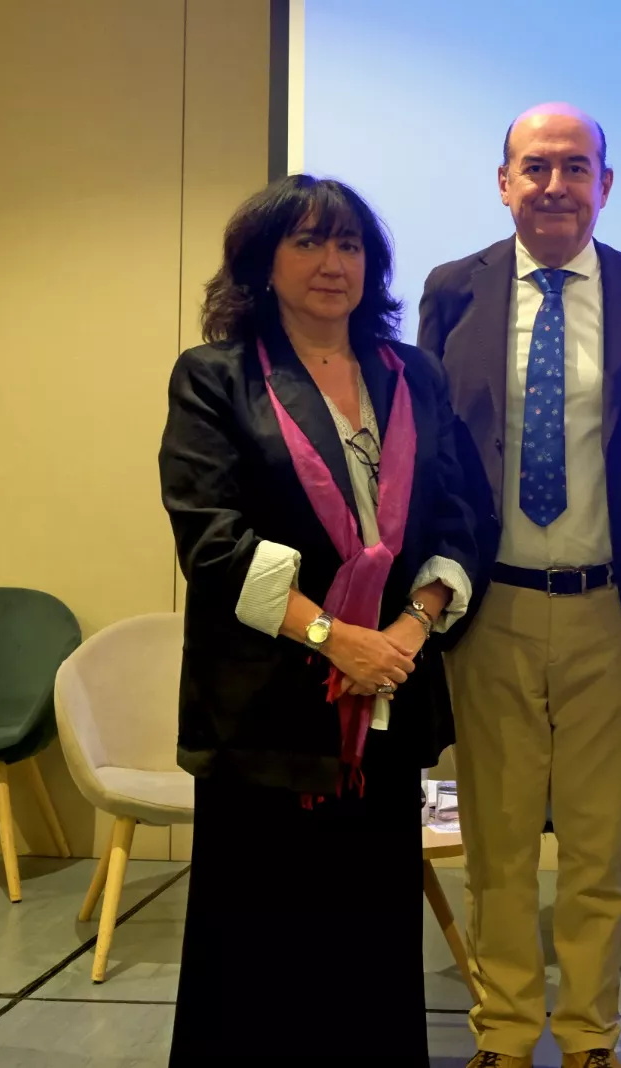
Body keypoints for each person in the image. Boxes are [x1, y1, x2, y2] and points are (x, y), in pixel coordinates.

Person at [159, 174, 478, 1065]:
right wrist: (336, 638)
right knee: (256, 951)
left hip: (387, 700)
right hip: (268, 710)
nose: (331, 263)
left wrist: (406, 638)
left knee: (370, 942)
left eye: (348, 245)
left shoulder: (413, 372)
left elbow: (458, 520)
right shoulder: (216, 377)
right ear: (263, 263)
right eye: (306, 243)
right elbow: (212, 541)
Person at [416, 103, 621, 1068]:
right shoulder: (453, 292)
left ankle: (587, 1039)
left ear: (605, 186)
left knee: (595, 852)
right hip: (487, 608)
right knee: (494, 848)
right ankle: (502, 1034)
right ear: (503, 183)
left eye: (576, 168)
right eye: (535, 167)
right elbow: (432, 455)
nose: (554, 186)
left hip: (610, 616)